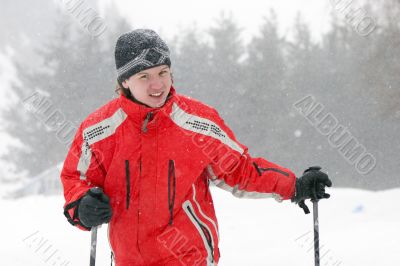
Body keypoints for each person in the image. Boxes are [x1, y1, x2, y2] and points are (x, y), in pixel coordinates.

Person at [61, 29, 332, 266]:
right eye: (144, 76)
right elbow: (77, 178)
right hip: (128, 259)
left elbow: (241, 170)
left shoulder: (198, 123)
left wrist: (295, 186)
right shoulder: (99, 130)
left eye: (163, 73)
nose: (157, 85)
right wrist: (82, 207)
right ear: (124, 82)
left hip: (188, 257)